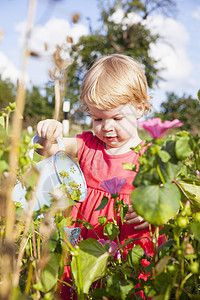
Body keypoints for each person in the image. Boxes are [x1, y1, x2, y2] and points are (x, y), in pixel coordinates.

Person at [36, 54, 165, 299]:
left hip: (128, 250)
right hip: (84, 247)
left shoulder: (150, 158)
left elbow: (172, 200)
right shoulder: (87, 145)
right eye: (98, 118)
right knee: (79, 287)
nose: (106, 127)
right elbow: (47, 150)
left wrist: (154, 211)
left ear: (139, 108)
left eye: (117, 118)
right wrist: (48, 131)